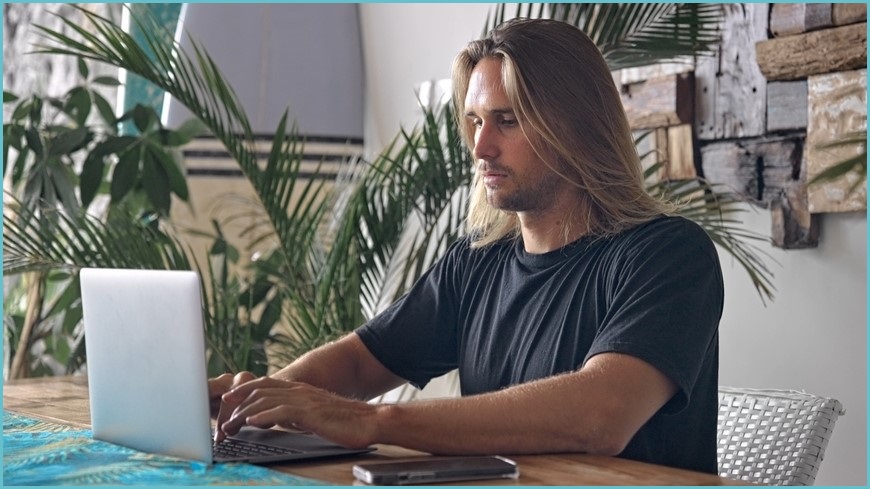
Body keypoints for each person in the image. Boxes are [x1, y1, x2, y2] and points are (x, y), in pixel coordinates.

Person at [210, 17, 723, 474]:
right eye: (475, 121)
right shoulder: (477, 261)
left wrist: (371, 421)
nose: (480, 147)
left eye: (508, 120)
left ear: (578, 128)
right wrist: (260, 402)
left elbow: (600, 415)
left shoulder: (669, 255)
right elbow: (363, 362)